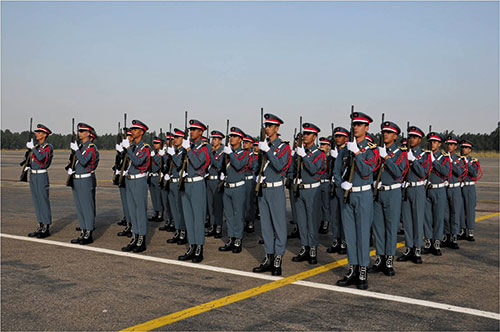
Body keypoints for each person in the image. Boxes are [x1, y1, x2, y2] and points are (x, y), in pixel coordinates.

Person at [334, 112, 380, 290]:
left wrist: (358, 154)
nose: (356, 127)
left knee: (362, 235)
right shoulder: (345, 149)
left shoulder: (371, 148)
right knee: (350, 235)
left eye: (360, 124)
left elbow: (368, 170)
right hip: (348, 194)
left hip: (363, 195)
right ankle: (352, 269)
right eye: (354, 124)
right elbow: (336, 171)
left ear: (367, 128)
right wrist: (341, 184)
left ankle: (362, 271)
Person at [252, 114, 292, 276]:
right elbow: (258, 166)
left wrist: (268, 151)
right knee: (266, 226)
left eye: (270, 126)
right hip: (264, 189)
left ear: (277, 128)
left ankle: (278, 258)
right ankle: (268, 257)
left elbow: (281, 167)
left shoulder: (283, 147)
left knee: (279, 226)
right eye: (266, 126)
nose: (267, 129)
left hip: (276, 190)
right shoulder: (264, 146)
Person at [369, 121, 408, 276]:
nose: (385, 135)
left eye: (389, 133)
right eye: (384, 132)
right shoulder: (377, 151)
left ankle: (389, 260)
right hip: (378, 193)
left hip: (392, 193)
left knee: (391, 227)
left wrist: (386, 158)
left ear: (395, 136)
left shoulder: (400, 154)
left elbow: (399, 173)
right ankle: (380, 258)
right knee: (378, 228)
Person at [291, 123, 327, 265]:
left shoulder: (319, 154)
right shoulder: (301, 152)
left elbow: (313, 169)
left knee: (312, 221)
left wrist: (304, 156)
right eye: (304, 133)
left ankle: (313, 249)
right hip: (301, 189)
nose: (305, 136)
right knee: (302, 221)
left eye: (308, 134)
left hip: (312, 190)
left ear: (315, 136)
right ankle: (304, 247)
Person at [397, 126, 432, 264]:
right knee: (407, 221)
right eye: (410, 137)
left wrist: (413, 161)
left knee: (417, 220)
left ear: (420, 139)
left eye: (415, 137)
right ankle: (408, 248)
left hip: (418, 189)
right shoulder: (403, 153)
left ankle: (417, 249)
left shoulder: (424, 155)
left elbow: (423, 173)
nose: (412, 139)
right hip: (406, 189)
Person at [178, 120, 210, 263]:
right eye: (190, 129)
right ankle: (191, 246)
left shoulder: (205, 147)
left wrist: (189, 151)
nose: (191, 132)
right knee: (189, 218)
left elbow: (198, 164)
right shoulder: (188, 147)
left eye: (194, 130)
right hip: (186, 184)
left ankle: (199, 248)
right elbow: (179, 164)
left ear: (201, 132)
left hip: (197, 184)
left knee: (198, 218)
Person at [120, 120, 151, 253]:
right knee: (132, 211)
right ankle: (134, 236)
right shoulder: (132, 147)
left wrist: (128, 149)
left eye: (135, 129)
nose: (132, 131)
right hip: (130, 180)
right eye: (132, 129)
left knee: (139, 211)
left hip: (139, 181)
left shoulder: (145, 148)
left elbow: (138, 162)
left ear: (141, 132)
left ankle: (141, 240)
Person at [219, 127, 250, 253]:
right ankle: (231, 238)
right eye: (231, 136)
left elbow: (238, 165)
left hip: (238, 187)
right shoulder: (227, 153)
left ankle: (238, 239)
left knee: (238, 215)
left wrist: (231, 154)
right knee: (229, 215)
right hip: (228, 187)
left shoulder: (244, 153)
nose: (231, 138)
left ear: (240, 139)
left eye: (234, 136)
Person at [69, 123, 100, 245]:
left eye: (82, 131)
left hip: (86, 180)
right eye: (79, 131)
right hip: (77, 179)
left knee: (87, 207)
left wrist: (76, 150)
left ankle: (89, 233)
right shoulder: (82, 148)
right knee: (80, 207)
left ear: (88, 134)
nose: (79, 133)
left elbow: (83, 161)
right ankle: (83, 230)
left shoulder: (91, 148)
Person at [423, 132, 451, 256]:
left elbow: (445, 172)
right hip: (427, 189)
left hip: (439, 190)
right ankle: (428, 241)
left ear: (439, 144)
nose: (432, 144)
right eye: (430, 142)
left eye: (434, 142)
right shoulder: (425, 155)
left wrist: (434, 162)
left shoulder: (444, 157)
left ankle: (437, 243)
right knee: (427, 218)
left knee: (438, 218)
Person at [26, 124, 54, 238]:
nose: (36, 134)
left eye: (38, 132)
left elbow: (42, 158)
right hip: (33, 176)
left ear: (44, 135)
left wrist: (33, 148)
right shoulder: (37, 147)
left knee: (43, 201)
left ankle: (46, 227)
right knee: (37, 201)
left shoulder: (48, 147)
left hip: (41, 176)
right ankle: (40, 225)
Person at [326, 127, 349, 255]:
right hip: (333, 188)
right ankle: (336, 240)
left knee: (344, 217)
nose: (337, 139)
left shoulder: (347, 152)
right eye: (336, 136)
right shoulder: (331, 153)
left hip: (343, 188)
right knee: (334, 216)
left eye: (340, 136)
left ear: (346, 138)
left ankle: (344, 242)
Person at [443, 134, 467, 249]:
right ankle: (446, 235)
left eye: (452, 144)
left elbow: (459, 172)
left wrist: (450, 162)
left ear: (456, 146)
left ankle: (454, 237)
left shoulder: (459, 159)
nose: (449, 146)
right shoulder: (443, 158)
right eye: (448, 144)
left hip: (455, 188)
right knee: (446, 214)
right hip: (445, 188)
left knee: (455, 213)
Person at [165, 128, 188, 245]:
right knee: (174, 208)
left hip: (179, 183)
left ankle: (183, 231)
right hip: (171, 182)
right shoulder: (174, 151)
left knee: (180, 209)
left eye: (178, 137)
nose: (175, 139)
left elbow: (179, 164)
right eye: (175, 137)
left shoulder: (184, 151)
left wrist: (173, 155)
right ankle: (178, 231)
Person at [460, 139, 482, 241]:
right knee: (461, 209)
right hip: (461, 186)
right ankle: (462, 230)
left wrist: (466, 163)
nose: (464, 150)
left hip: (469, 186)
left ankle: (470, 231)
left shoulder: (474, 161)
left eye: (466, 148)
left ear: (469, 150)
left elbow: (473, 173)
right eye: (463, 148)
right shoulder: (458, 160)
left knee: (469, 209)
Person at [205, 130, 225, 238]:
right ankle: (212, 225)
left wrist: (211, 155)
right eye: (213, 139)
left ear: (220, 141)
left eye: (216, 139)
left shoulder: (222, 153)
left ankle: (218, 226)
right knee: (210, 205)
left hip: (217, 181)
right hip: (209, 180)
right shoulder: (212, 152)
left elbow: (218, 165)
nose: (213, 141)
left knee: (217, 206)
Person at [148, 136, 164, 222]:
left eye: (157, 143)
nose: (155, 145)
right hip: (152, 176)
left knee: (158, 196)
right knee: (153, 196)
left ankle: (160, 213)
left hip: (158, 176)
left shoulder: (161, 154)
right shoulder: (153, 153)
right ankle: (155, 212)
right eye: (154, 143)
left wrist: (155, 157)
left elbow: (160, 165)